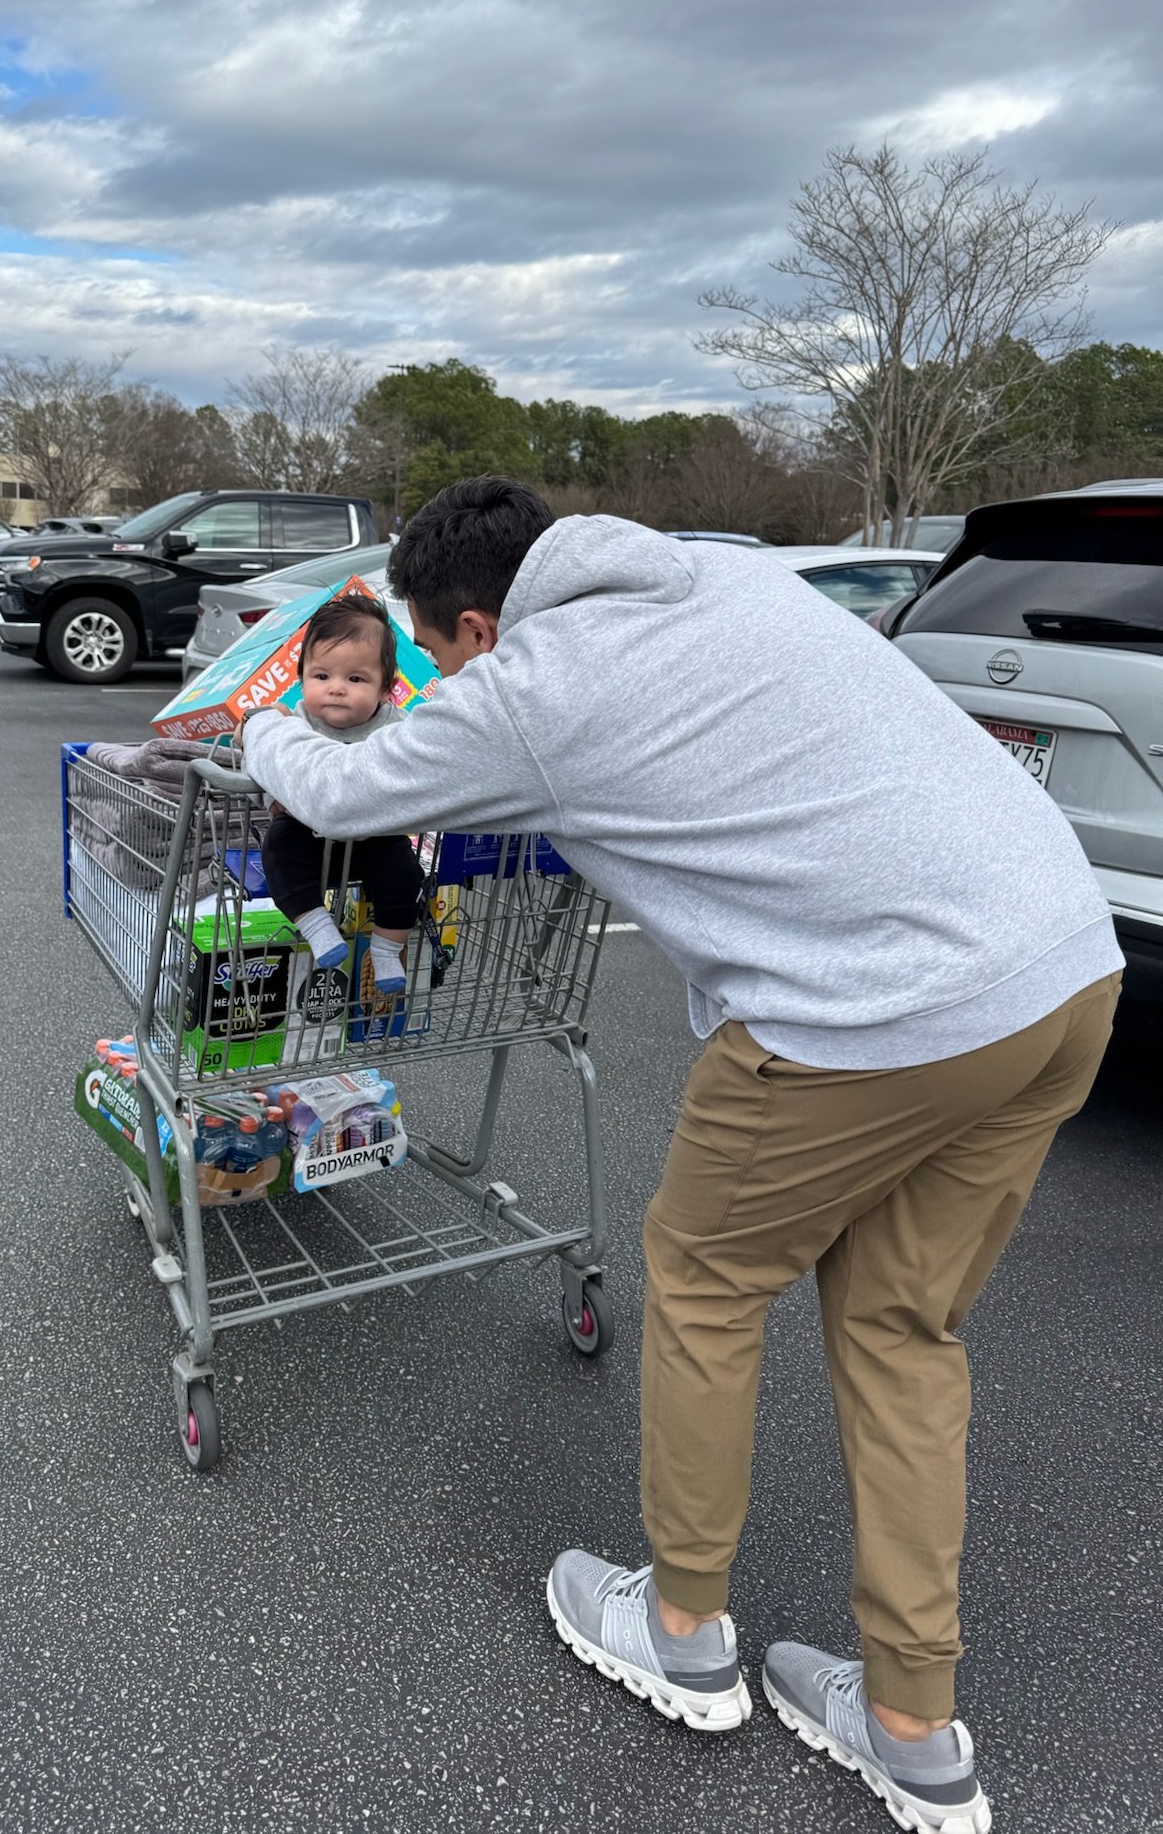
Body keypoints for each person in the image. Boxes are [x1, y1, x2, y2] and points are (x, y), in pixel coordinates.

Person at [239, 477, 1121, 1833]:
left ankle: (685, 1629)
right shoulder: (722, 579)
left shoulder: (531, 678)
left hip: (867, 1008)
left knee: (706, 1284)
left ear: (477, 623)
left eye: (436, 652)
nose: (443, 678)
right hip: (1063, 973)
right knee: (900, 1330)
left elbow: (346, 782)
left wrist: (262, 729)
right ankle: (912, 1724)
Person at [257, 593, 423, 996]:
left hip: (373, 839)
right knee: (279, 847)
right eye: (321, 676)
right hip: (310, 840)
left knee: (405, 870)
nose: (336, 689)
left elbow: (415, 768)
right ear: (302, 680)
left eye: (355, 679)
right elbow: (268, 770)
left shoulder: (397, 727)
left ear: (387, 688)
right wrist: (273, 799)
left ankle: (386, 949)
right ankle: (317, 927)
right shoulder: (295, 725)